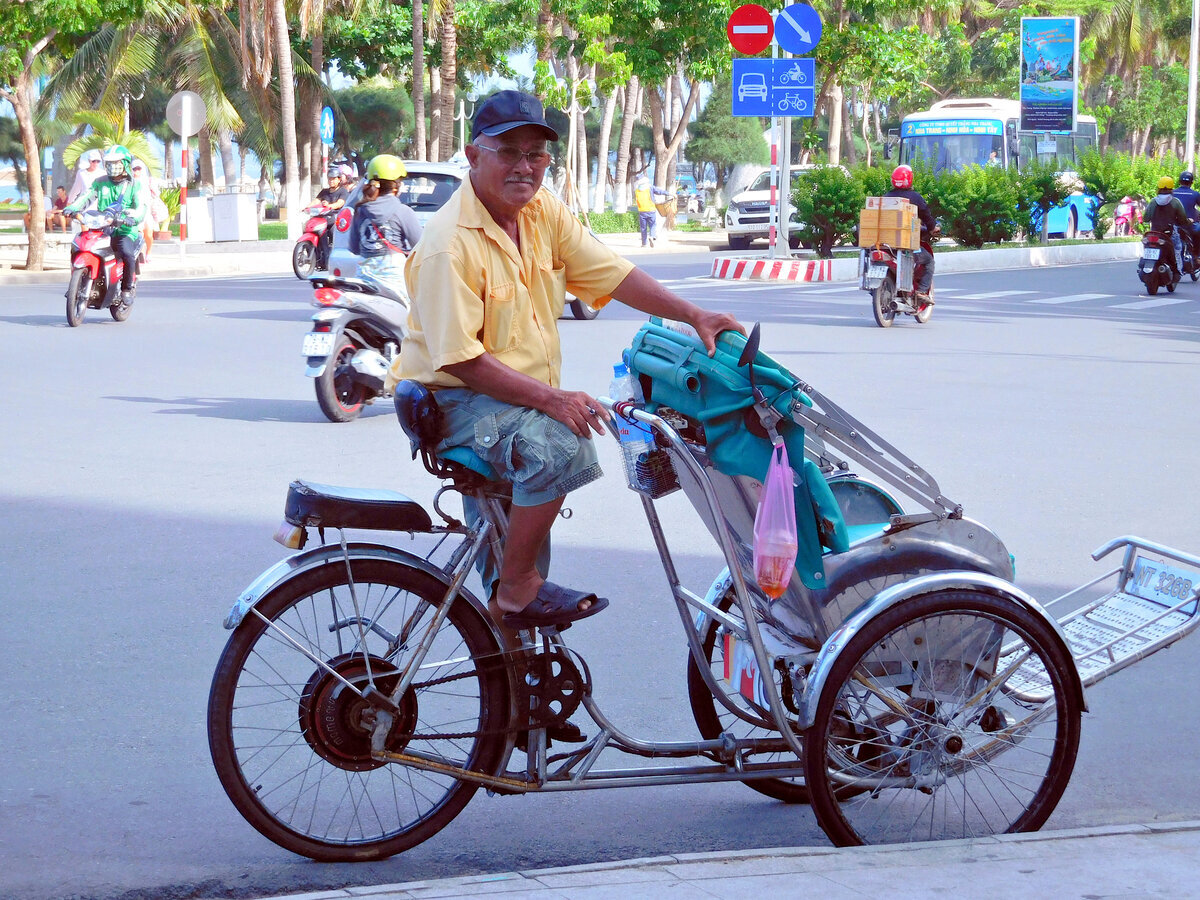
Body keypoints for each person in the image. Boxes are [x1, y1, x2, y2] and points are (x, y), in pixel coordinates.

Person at [391, 89, 742, 645]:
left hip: (509, 399)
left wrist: (692, 313)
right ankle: (517, 587)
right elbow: (461, 360)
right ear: (473, 154)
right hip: (455, 399)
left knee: (522, 525)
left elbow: (611, 274)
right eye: (508, 152)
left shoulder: (541, 212)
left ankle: (516, 690)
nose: (524, 167)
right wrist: (552, 400)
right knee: (560, 445)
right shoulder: (448, 244)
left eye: (535, 154)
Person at [63, 144, 146, 307]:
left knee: (127, 254)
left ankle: (126, 289)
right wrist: (73, 208)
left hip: (125, 230)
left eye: (116, 163)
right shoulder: (100, 182)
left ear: (125, 164)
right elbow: (86, 196)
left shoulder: (134, 185)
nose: (112, 166)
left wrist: (132, 218)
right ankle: (76, 284)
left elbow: (141, 207)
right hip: (104, 228)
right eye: (109, 163)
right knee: (78, 245)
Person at [349, 153, 423, 323]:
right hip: (395, 283)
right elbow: (421, 247)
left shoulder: (360, 210)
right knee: (414, 324)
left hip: (364, 280)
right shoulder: (403, 211)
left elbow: (353, 248)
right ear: (396, 186)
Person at [884, 164, 937, 306]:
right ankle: (920, 291)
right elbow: (926, 215)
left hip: (884, 245)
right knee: (929, 261)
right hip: (906, 244)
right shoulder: (915, 197)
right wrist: (933, 228)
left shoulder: (886, 197)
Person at [1144, 176, 1191, 283]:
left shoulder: (1153, 202)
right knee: (1177, 249)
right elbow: (1182, 219)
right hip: (1169, 233)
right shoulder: (1175, 202)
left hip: (1154, 233)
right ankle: (1178, 270)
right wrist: (1189, 221)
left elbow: (1146, 218)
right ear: (1171, 188)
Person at [633, 176, 667, 247]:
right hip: (651, 210)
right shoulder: (650, 188)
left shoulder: (637, 190)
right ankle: (651, 236)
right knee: (653, 225)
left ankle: (644, 243)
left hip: (642, 211)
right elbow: (659, 191)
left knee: (643, 228)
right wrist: (669, 194)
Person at [1174, 171, 1200, 257]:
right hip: (1189, 225)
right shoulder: (1195, 194)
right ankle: (1197, 256)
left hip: (1172, 225)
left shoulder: (1172, 193)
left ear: (1179, 181)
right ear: (1191, 183)